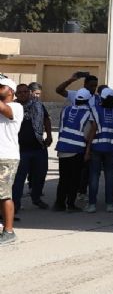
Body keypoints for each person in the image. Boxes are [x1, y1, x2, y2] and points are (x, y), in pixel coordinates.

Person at [54, 89, 96, 212]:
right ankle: (71, 204)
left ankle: (59, 203)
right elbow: (87, 134)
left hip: (62, 147)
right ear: (88, 100)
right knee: (74, 178)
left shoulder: (66, 109)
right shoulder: (89, 113)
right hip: (77, 149)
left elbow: (61, 128)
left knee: (63, 178)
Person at [12, 83, 52, 213]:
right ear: (16, 94)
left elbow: (46, 119)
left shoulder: (38, 105)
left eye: (25, 92)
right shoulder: (12, 107)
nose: (23, 94)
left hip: (39, 146)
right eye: (20, 92)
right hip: (20, 149)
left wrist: (49, 135)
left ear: (29, 93)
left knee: (40, 175)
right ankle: (15, 205)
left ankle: (36, 198)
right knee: (19, 179)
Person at [86, 87, 113, 213]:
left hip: (97, 146)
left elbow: (92, 130)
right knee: (110, 175)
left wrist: (88, 148)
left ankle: (92, 205)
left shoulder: (95, 110)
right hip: (112, 147)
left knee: (94, 175)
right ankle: (109, 204)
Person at [0, 76, 23, 245]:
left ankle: (9, 231)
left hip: (6, 158)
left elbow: (6, 111)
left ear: (11, 91)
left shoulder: (16, 107)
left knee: (4, 195)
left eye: (1, 87)